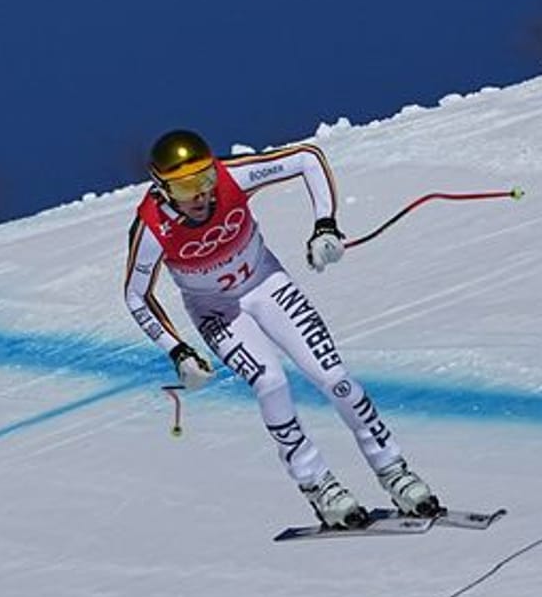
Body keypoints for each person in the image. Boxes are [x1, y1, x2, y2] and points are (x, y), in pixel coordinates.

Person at [122, 129, 440, 529]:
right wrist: (177, 350)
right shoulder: (152, 229)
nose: (201, 194)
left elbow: (307, 157)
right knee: (270, 383)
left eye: (205, 178)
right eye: (186, 187)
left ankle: (394, 470)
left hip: (266, 284)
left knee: (334, 377)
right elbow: (136, 295)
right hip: (216, 310)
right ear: (163, 190)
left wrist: (325, 225)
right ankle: (317, 484)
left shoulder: (233, 177)